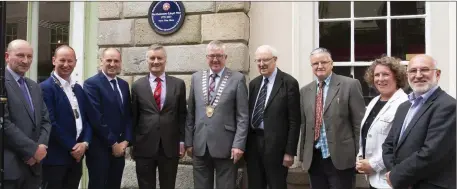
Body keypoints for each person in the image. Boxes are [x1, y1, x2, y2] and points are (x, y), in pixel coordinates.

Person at [382, 54, 456, 189]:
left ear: (437, 74)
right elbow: (388, 145)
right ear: (407, 75)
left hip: (430, 184)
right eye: (413, 71)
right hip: (403, 183)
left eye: (425, 70)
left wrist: (398, 175)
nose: (418, 75)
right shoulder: (403, 107)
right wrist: (397, 175)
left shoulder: (448, 106)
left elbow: (432, 153)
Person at [185, 40, 249, 189]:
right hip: (200, 146)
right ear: (206, 57)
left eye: (219, 56)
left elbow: (243, 116)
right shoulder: (196, 78)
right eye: (212, 56)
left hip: (226, 146)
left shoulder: (237, 79)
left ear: (225, 57)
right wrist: (188, 141)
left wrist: (239, 144)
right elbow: (190, 113)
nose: (215, 59)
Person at [298, 47, 365, 189]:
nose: (320, 66)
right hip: (314, 158)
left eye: (324, 62)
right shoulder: (305, 91)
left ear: (332, 64)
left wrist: (360, 155)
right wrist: (303, 155)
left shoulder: (350, 85)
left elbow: (358, 124)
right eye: (315, 63)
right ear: (311, 66)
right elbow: (304, 125)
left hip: (341, 158)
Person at [131, 45, 187, 189]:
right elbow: (134, 117)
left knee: (168, 185)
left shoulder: (178, 84)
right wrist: (133, 143)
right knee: (145, 185)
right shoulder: (137, 86)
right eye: (152, 58)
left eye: (159, 58)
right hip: (144, 145)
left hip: (169, 145)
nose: (156, 61)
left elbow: (182, 115)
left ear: (165, 60)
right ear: (147, 60)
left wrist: (182, 141)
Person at [39, 45, 94, 189]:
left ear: (75, 62)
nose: (66, 65)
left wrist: (85, 143)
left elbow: (87, 119)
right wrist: (72, 147)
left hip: (76, 158)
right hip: (55, 159)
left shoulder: (78, 89)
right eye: (62, 60)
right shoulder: (45, 88)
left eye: (70, 61)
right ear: (54, 60)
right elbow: (51, 122)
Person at [245, 45, 301, 189]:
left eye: (265, 60)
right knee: (255, 185)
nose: (261, 64)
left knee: (277, 185)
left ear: (275, 60)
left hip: (277, 148)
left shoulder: (289, 83)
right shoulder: (254, 84)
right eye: (258, 61)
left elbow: (294, 121)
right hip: (253, 145)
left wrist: (290, 152)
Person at [3, 39, 52, 189]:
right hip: (10, 168)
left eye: (29, 56)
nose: (26, 61)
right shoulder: (2, 83)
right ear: (6, 56)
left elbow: (45, 120)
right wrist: (32, 150)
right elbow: (4, 123)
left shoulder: (34, 86)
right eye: (20, 55)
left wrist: (41, 147)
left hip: (34, 169)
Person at [355, 56, 408, 189]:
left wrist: (374, 165)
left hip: (390, 179)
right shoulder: (374, 102)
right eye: (377, 75)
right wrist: (361, 159)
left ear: (397, 77)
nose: (380, 79)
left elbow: (400, 144)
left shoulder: (405, 104)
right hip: (373, 178)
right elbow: (366, 134)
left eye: (385, 74)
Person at [83, 48, 133, 189]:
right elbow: (96, 117)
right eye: (108, 60)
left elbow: (128, 114)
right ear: (101, 62)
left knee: (114, 185)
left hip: (120, 149)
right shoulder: (91, 84)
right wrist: (113, 143)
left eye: (116, 61)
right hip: (99, 149)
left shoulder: (123, 85)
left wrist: (126, 141)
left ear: (120, 63)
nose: (112, 64)